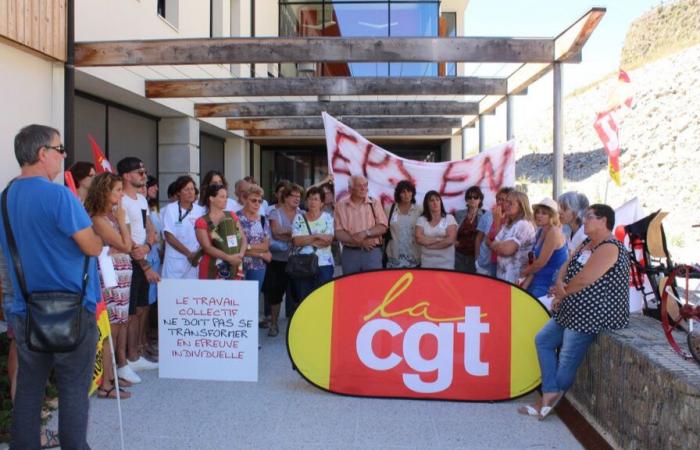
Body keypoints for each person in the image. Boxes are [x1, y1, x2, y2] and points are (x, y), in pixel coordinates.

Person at [0, 124, 103, 449]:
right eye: (60, 150)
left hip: (25, 309)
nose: (64, 156)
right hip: (72, 308)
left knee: (29, 390)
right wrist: (100, 236)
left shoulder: (4, 198)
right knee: (74, 391)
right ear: (43, 153)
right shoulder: (59, 194)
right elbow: (91, 246)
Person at [521, 204, 630, 420]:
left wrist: (562, 293)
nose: (585, 220)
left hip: (593, 313)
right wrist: (560, 283)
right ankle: (550, 392)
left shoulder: (610, 247)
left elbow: (586, 278)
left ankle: (545, 400)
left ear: (604, 221)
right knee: (543, 340)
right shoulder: (587, 243)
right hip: (573, 305)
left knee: (567, 358)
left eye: (590, 217)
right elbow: (566, 265)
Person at [85, 172, 133, 399]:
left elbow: (128, 243)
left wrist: (122, 231)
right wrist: (122, 223)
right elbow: (124, 243)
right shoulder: (98, 218)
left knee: (119, 325)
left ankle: (111, 375)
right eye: (117, 190)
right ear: (105, 191)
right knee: (109, 329)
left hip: (121, 276)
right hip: (109, 278)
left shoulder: (111, 216)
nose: (121, 194)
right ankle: (105, 384)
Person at [117, 157, 160, 380]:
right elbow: (125, 235)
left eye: (144, 172)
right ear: (126, 175)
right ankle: (125, 359)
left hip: (143, 254)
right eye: (139, 172)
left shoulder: (142, 200)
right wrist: (142, 258)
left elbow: (149, 228)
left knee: (142, 308)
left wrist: (147, 245)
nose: (144, 175)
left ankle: (135, 355)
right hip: (129, 259)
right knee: (129, 313)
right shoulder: (120, 200)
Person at [264, 183, 303, 335]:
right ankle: (274, 324)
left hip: (297, 260)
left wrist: (288, 234)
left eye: (299, 197)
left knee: (296, 294)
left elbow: (302, 234)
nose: (297, 199)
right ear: (285, 197)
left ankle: (296, 326)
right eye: (294, 196)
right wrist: (294, 234)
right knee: (276, 294)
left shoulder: (302, 213)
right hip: (278, 260)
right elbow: (275, 232)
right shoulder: (275, 213)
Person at [334, 175, 388, 275]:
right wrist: (360, 242)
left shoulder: (374, 203)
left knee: (374, 286)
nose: (363, 188)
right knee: (350, 286)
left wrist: (365, 233)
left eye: (365, 185)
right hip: (350, 254)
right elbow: (338, 232)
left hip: (372, 252)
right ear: (350, 189)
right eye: (359, 186)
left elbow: (383, 227)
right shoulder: (340, 206)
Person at [291, 186, 335, 301]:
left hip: (324, 264)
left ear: (322, 203)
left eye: (316, 199)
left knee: (322, 298)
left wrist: (306, 240)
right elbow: (296, 241)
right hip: (303, 264)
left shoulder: (328, 218)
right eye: (310, 199)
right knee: (304, 299)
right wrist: (316, 236)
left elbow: (328, 241)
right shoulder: (299, 218)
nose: (312, 202)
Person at [195, 184, 247, 280]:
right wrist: (229, 258)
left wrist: (240, 255)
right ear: (211, 198)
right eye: (222, 197)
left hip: (235, 267)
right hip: (211, 269)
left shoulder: (232, 215)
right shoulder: (201, 221)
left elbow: (243, 237)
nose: (226, 199)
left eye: (226, 197)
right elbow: (207, 248)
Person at [520, 198, 568, 298]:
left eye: (544, 213)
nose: (539, 215)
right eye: (537, 212)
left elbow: (540, 263)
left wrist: (522, 273)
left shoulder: (554, 232)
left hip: (548, 285)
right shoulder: (540, 231)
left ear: (552, 216)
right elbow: (535, 263)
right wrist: (524, 286)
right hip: (536, 280)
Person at [161, 175, 206, 279]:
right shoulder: (170, 209)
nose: (190, 192)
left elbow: (204, 235)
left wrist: (196, 254)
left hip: (194, 261)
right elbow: (169, 236)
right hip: (175, 261)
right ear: (178, 192)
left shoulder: (200, 210)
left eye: (192, 189)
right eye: (186, 189)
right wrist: (188, 254)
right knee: (173, 293)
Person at [487, 190, 536, 284]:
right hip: (504, 278)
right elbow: (490, 242)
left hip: (516, 280)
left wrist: (498, 245)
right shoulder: (509, 224)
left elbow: (506, 250)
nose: (506, 205)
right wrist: (497, 223)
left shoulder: (523, 224)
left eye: (511, 203)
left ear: (521, 207)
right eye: (506, 202)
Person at [238, 184, 272, 299]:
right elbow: (235, 248)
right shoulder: (235, 219)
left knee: (252, 300)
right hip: (238, 265)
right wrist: (261, 254)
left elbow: (266, 246)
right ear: (244, 199)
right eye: (253, 200)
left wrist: (246, 247)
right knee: (238, 299)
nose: (257, 204)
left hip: (258, 267)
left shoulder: (263, 220)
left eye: (260, 201)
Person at [415, 190, 457, 269]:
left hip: (446, 264)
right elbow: (419, 239)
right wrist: (438, 239)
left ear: (441, 202)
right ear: (427, 204)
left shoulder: (449, 218)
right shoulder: (421, 219)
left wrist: (428, 244)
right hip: (427, 264)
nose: (435, 203)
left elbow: (450, 240)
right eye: (432, 200)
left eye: (437, 200)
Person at [476, 187, 513, 277]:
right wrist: (476, 259)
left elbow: (503, 240)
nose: (499, 202)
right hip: (486, 261)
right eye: (498, 199)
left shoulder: (512, 219)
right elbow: (480, 238)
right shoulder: (488, 215)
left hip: (505, 264)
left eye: (502, 200)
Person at [383, 180, 421, 268]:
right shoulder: (389, 209)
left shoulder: (420, 210)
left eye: (409, 191)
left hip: (414, 256)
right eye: (403, 192)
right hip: (394, 256)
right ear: (398, 194)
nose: (407, 194)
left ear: (413, 193)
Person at [454, 186, 486, 273]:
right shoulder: (459, 214)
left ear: (480, 199)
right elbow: (453, 231)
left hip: (476, 256)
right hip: (459, 255)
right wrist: (454, 241)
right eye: (469, 197)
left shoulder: (485, 215)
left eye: (475, 197)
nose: (472, 199)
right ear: (466, 200)